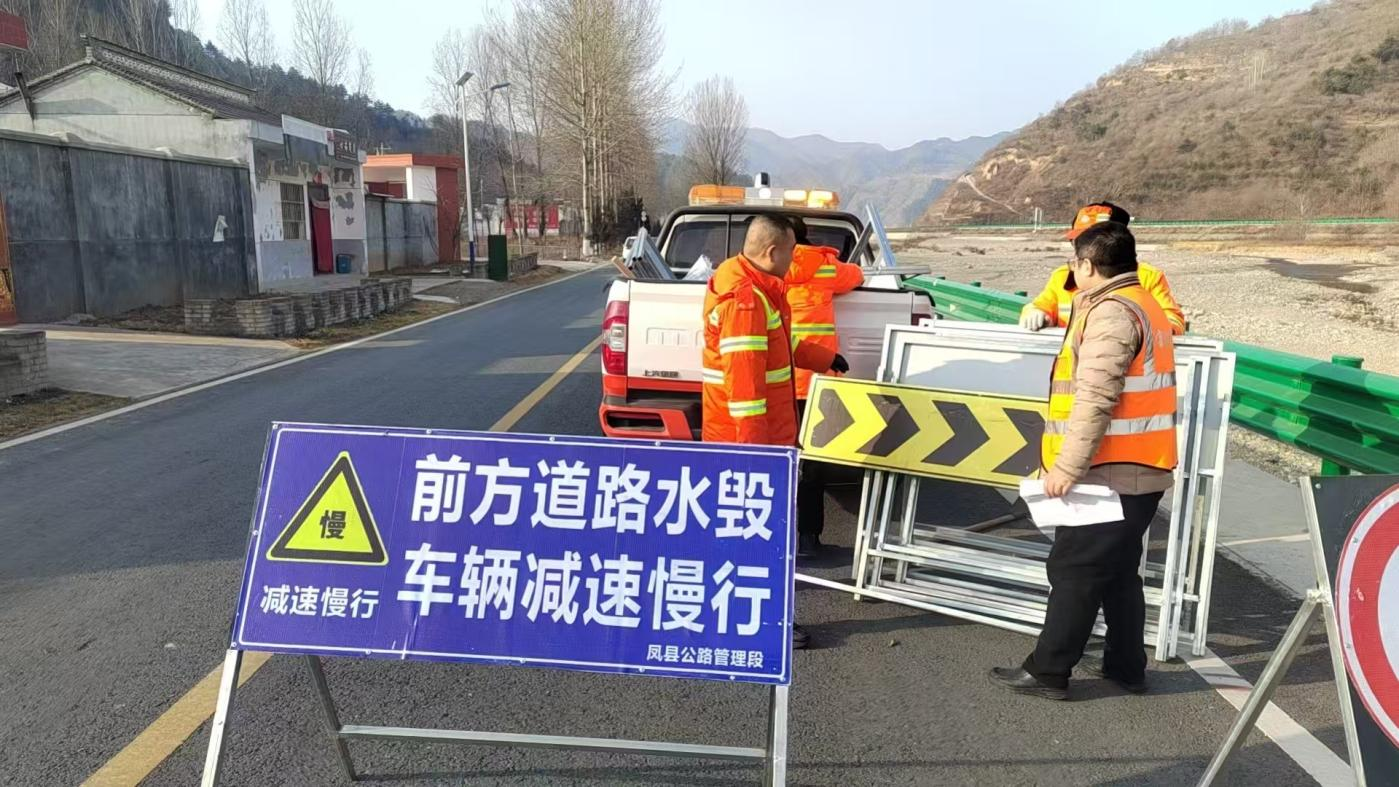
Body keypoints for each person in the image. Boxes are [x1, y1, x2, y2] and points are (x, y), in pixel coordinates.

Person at [990, 220, 1178, 700]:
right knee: (1117, 573)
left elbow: (1095, 398)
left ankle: (1048, 670)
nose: (1072, 271)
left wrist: (1066, 468)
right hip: (1141, 467)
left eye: (1074, 263)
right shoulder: (1144, 301)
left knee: (1074, 568)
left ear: (1088, 265)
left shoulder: (1112, 313)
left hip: (1112, 469)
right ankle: (1126, 666)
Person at [702, 214, 849, 649]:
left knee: (747, 534)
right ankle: (764, 620)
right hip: (749, 442)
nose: (793, 260)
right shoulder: (746, 302)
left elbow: (779, 348)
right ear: (772, 252)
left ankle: (744, 608)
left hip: (756, 438)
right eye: (791, 252)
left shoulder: (757, 288)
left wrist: (824, 358)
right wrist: (757, 460)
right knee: (756, 535)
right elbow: (746, 394)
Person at [785, 216, 865, 557]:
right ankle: (808, 539)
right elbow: (857, 275)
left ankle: (769, 539)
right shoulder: (825, 268)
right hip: (817, 382)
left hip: (775, 383)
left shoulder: (761, 271)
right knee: (812, 465)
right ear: (807, 237)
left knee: (774, 461)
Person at [1019, 202, 1186, 335]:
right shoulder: (1063, 276)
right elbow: (1040, 305)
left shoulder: (1148, 278)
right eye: (1078, 240)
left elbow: (1174, 321)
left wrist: (1139, 329)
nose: (1083, 246)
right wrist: (1036, 314)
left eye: (1092, 240)